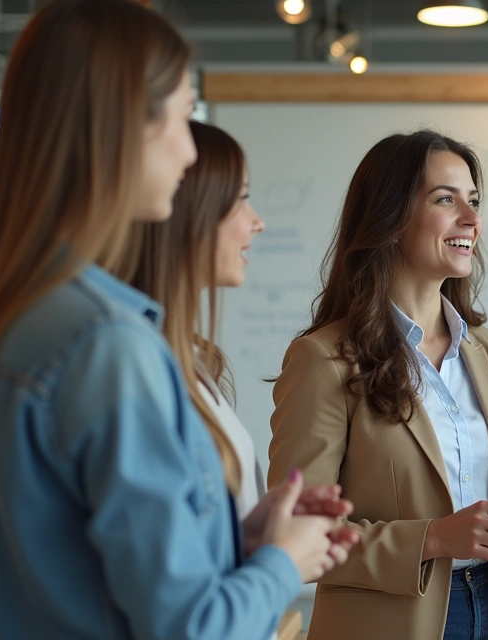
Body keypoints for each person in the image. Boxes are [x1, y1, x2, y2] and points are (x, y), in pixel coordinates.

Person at [0, 1, 351, 637]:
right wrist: (281, 561)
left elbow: (87, 574)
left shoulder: (30, 318)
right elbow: (191, 629)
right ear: (118, 123)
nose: (189, 152)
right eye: (185, 115)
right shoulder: (108, 345)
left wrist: (239, 539)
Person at [268, 129, 488, 639]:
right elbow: (297, 535)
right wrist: (434, 539)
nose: (472, 219)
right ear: (391, 220)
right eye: (446, 199)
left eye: (474, 201)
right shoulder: (323, 359)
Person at [127, 119, 362, 640]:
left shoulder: (191, 361)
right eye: (239, 202)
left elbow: (185, 540)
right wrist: (280, 560)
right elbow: (179, 615)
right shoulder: (136, 369)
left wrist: (252, 533)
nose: (256, 223)